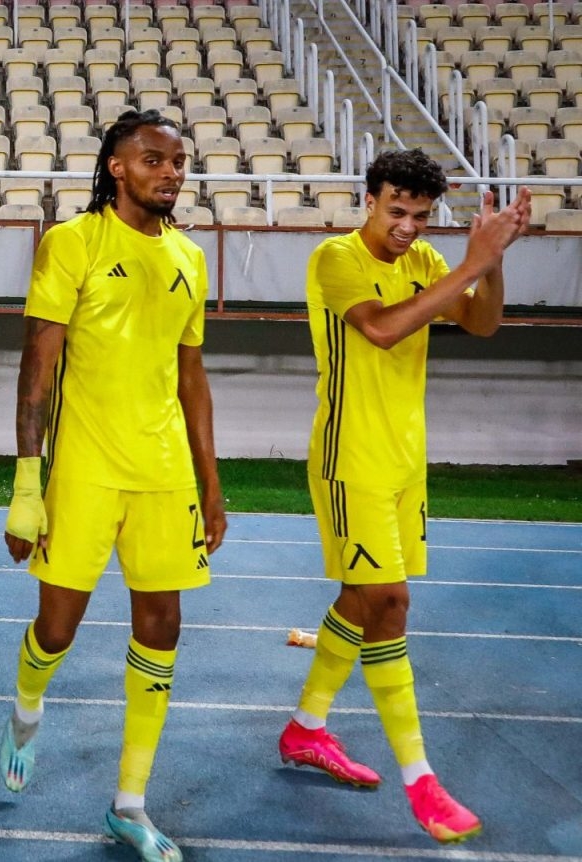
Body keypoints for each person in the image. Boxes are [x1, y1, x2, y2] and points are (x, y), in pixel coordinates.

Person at [277, 150, 529, 845]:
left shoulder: (424, 261)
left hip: (403, 465)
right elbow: (384, 330)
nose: (408, 227)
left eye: (420, 215)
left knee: (361, 603)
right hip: (349, 461)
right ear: (369, 199)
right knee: (390, 604)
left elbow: (482, 323)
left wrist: (492, 262)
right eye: (396, 211)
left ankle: (305, 730)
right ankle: (422, 782)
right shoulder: (336, 259)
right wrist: (471, 264)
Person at [0, 110, 225, 862]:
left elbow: (192, 378)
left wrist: (211, 483)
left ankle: (130, 803)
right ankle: (27, 707)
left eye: (179, 161)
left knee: (162, 628)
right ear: (116, 167)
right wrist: (27, 484)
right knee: (56, 631)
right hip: (85, 472)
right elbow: (37, 369)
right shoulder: (73, 243)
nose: (171, 173)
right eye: (153, 159)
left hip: (164, 476)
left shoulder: (190, 255)